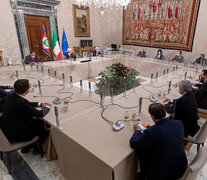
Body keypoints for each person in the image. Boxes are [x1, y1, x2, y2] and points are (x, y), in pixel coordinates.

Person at [130, 103, 187, 180]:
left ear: (152, 117)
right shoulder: (179, 123)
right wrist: (152, 129)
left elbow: (134, 144)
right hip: (180, 167)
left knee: (141, 150)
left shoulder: (152, 132)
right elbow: (166, 133)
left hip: (163, 173)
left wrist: (137, 131)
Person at [0, 79, 51, 153]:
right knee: (45, 126)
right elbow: (40, 114)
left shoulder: (11, 95)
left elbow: (26, 104)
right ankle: (36, 147)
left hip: (7, 130)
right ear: (27, 91)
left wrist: (39, 104)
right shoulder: (21, 102)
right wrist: (48, 107)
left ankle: (28, 147)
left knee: (36, 122)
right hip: (16, 134)